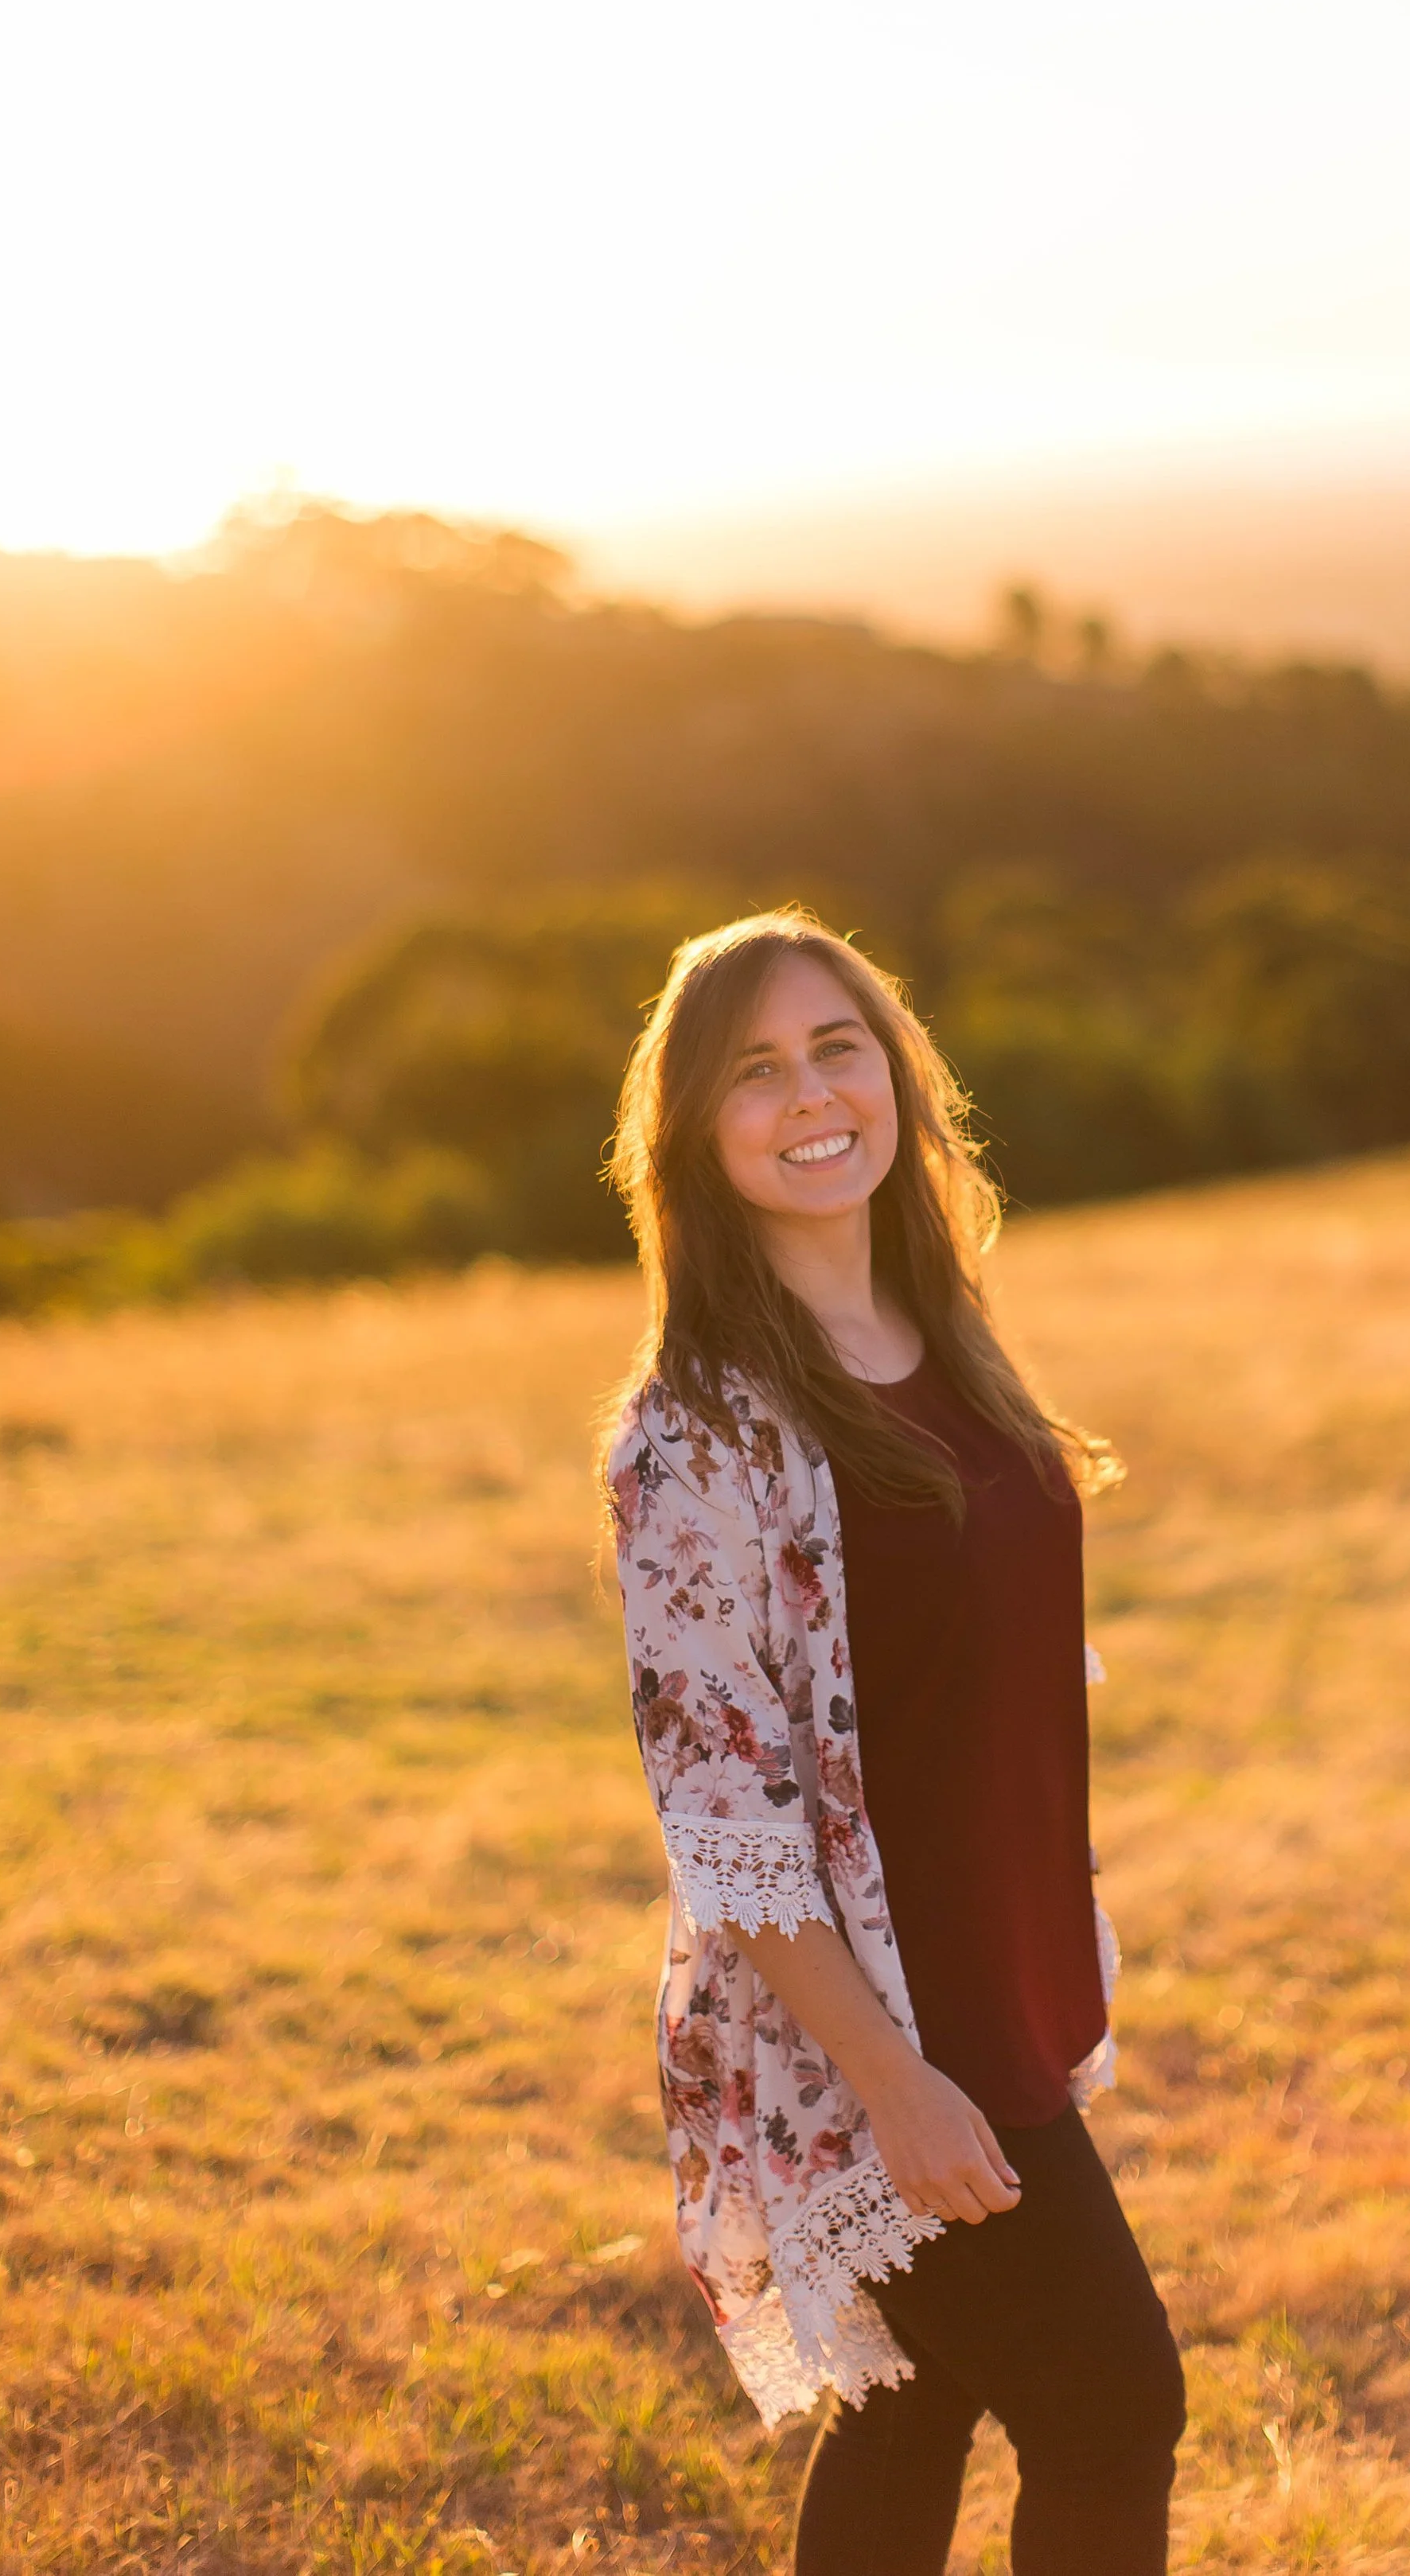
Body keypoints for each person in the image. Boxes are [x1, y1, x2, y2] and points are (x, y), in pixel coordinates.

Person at [602, 909, 1185, 2574]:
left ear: (895, 1073)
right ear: (695, 1139)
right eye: (753, 1074)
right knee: (1109, 2405)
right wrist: (892, 2087)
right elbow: (723, 1818)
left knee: (913, 2400)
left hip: (994, 1972)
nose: (807, 1096)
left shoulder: (948, 1343)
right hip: (879, 2037)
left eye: (834, 1047)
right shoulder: (692, 1435)